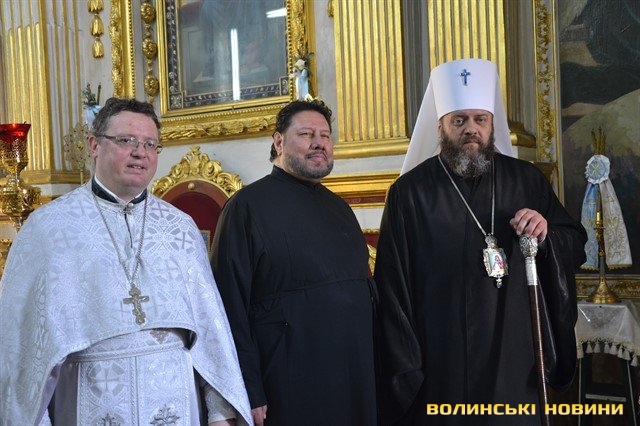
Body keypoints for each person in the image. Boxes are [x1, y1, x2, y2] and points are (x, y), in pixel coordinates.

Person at [0, 97, 252, 425]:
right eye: (126, 140)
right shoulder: (48, 228)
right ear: (94, 145)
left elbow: (210, 331)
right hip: (90, 398)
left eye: (150, 144)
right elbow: (23, 350)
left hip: (174, 399)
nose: (140, 152)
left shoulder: (179, 228)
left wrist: (220, 413)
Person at [374, 58, 587, 425]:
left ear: (491, 125)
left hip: (514, 351)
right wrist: (409, 368)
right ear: (440, 127)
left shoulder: (527, 180)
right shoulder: (409, 193)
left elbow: (575, 243)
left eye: (479, 119)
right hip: (440, 359)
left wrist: (545, 234)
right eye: (459, 120)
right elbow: (392, 286)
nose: (470, 129)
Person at [211, 99, 377, 425]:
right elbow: (229, 305)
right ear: (278, 142)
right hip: (288, 380)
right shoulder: (245, 207)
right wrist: (249, 389)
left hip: (352, 374)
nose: (319, 143)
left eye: (325, 136)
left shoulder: (339, 208)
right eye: (306, 134)